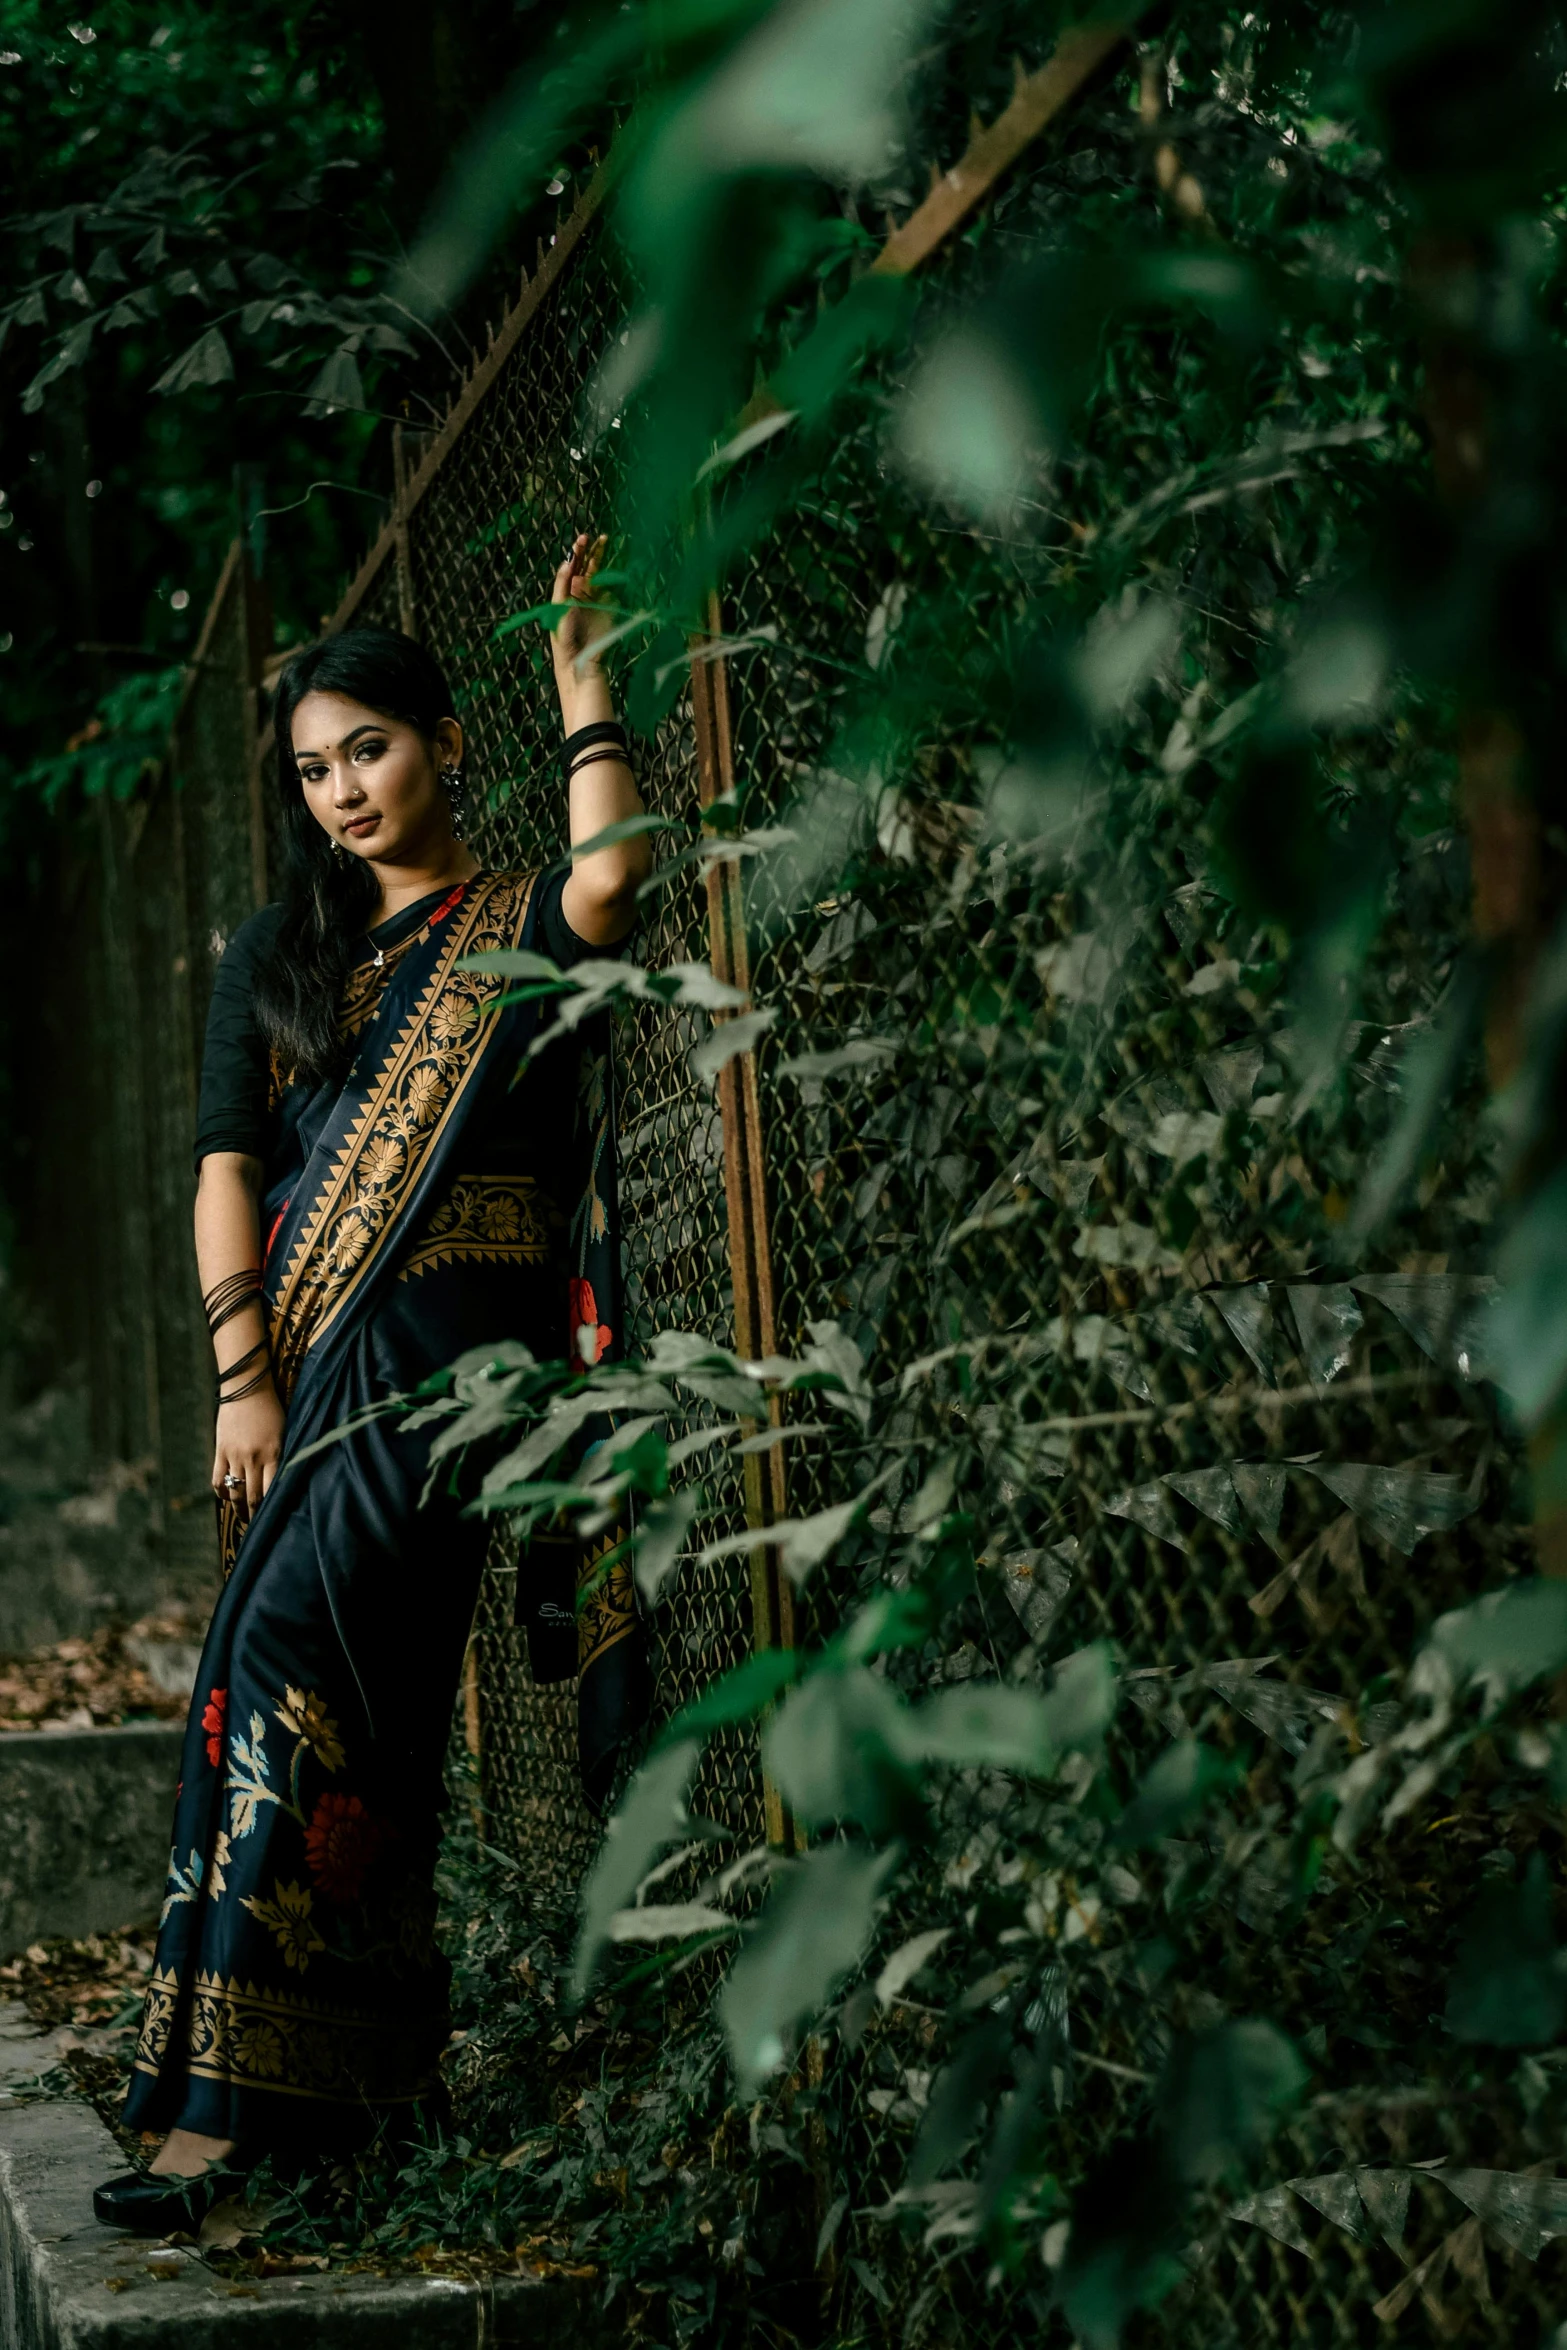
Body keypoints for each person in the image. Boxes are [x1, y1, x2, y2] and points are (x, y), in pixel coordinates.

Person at [94, 534, 650, 2232]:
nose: (343, 791)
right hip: (308, 1367)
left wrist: (583, 690)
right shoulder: (280, 958)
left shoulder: (515, 926)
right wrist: (240, 1378)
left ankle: (240, 2110)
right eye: (314, 767)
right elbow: (221, 1168)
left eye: (372, 750)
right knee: (321, 1707)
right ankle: (323, 2086)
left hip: (457, 1381)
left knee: (292, 1662)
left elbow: (615, 884)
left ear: (439, 742)